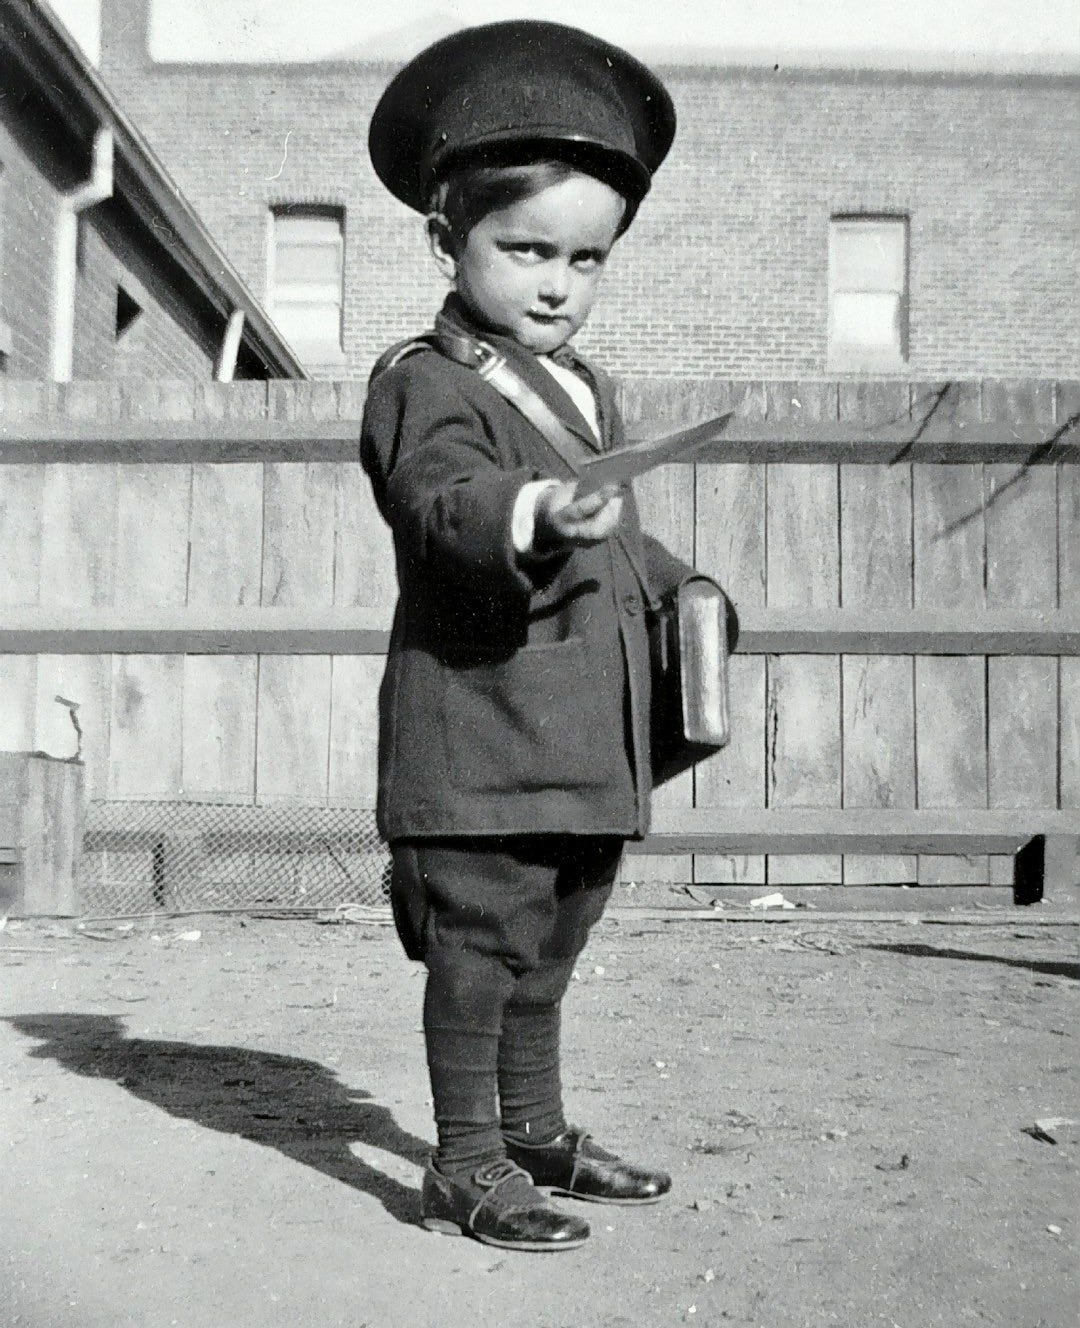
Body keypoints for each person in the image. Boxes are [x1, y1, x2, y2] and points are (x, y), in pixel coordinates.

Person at [361, 20, 721, 1252]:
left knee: (554, 939)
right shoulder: (428, 381)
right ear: (444, 239)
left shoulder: (588, 386)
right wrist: (533, 510)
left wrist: (686, 588)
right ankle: (462, 1163)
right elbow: (446, 501)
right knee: (479, 943)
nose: (558, 282)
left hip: (580, 738)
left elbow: (613, 544)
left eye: (587, 257)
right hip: (482, 731)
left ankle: (535, 1131)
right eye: (525, 250)